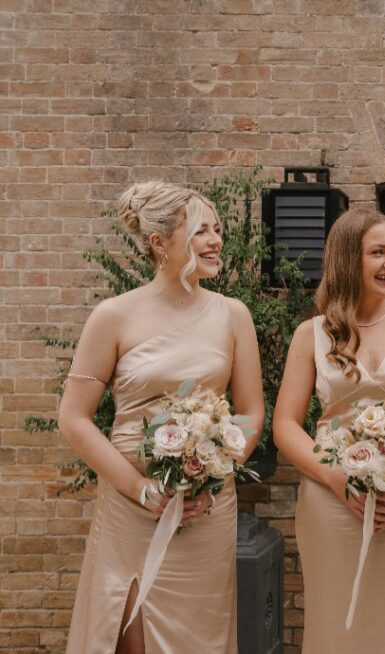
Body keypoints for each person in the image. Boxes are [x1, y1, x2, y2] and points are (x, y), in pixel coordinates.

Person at [60, 182, 264, 653]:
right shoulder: (113, 317)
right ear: (160, 243)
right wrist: (140, 489)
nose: (215, 240)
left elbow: (251, 413)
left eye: (217, 230)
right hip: (130, 508)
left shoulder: (233, 315)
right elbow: (73, 418)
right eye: (200, 231)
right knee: (130, 629)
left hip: (205, 511)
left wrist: (212, 480)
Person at [274, 208, 385, 654]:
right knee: (335, 625)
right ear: (349, 258)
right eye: (378, 253)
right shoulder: (311, 335)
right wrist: (335, 478)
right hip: (331, 502)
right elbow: (285, 426)